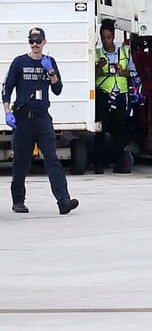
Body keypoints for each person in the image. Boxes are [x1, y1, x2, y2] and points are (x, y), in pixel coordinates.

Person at [3, 27, 78, 215]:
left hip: (42, 118)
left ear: (44, 42)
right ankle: (18, 200)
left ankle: (63, 201)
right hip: (23, 119)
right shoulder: (19, 62)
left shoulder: (49, 62)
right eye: (32, 41)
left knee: (52, 158)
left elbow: (58, 89)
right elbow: (7, 88)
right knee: (21, 161)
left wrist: (51, 72)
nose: (35, 45)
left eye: (38, 41)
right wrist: (7, 112)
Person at [94, 19, 142, 174]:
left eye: (108, 38)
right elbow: (91, 76)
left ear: (113, 37)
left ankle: (120, 163)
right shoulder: (97, 54)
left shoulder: (124, 53)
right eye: (103, 38)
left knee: (119, 131)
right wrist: (99, 68)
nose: (105, 41)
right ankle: (98, 165)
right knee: (100, 131)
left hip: (120, 96)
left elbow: (133, 73)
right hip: (103, 96)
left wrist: (123, 72)